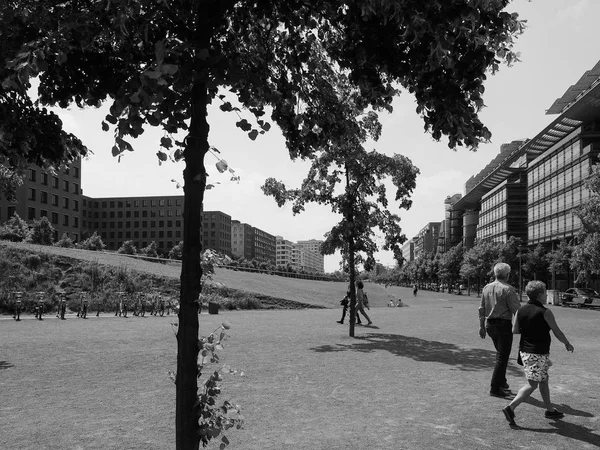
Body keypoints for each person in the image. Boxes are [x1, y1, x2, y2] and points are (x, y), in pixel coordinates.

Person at [501, 281, 574, 426]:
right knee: (533, 384)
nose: (547, 294)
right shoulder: (545, 312)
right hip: (537, 353)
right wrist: (567, 343)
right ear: (540, 295)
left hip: (526, 351)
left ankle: (549, 409)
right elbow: (557, 331)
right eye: (545, 292)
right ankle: (510, 408)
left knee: (544, 379)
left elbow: (514, 330)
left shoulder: (520, 311)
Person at [478, 262, 521, 398]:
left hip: (490, 325)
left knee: (500, 354)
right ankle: (495, 388)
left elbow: (482, 308)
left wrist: (481, 325)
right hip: (503, 326)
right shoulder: (508, 289)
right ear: (507, 275)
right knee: (502, 357)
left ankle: (502, 383)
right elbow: (517, 311)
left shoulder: (486, 287)